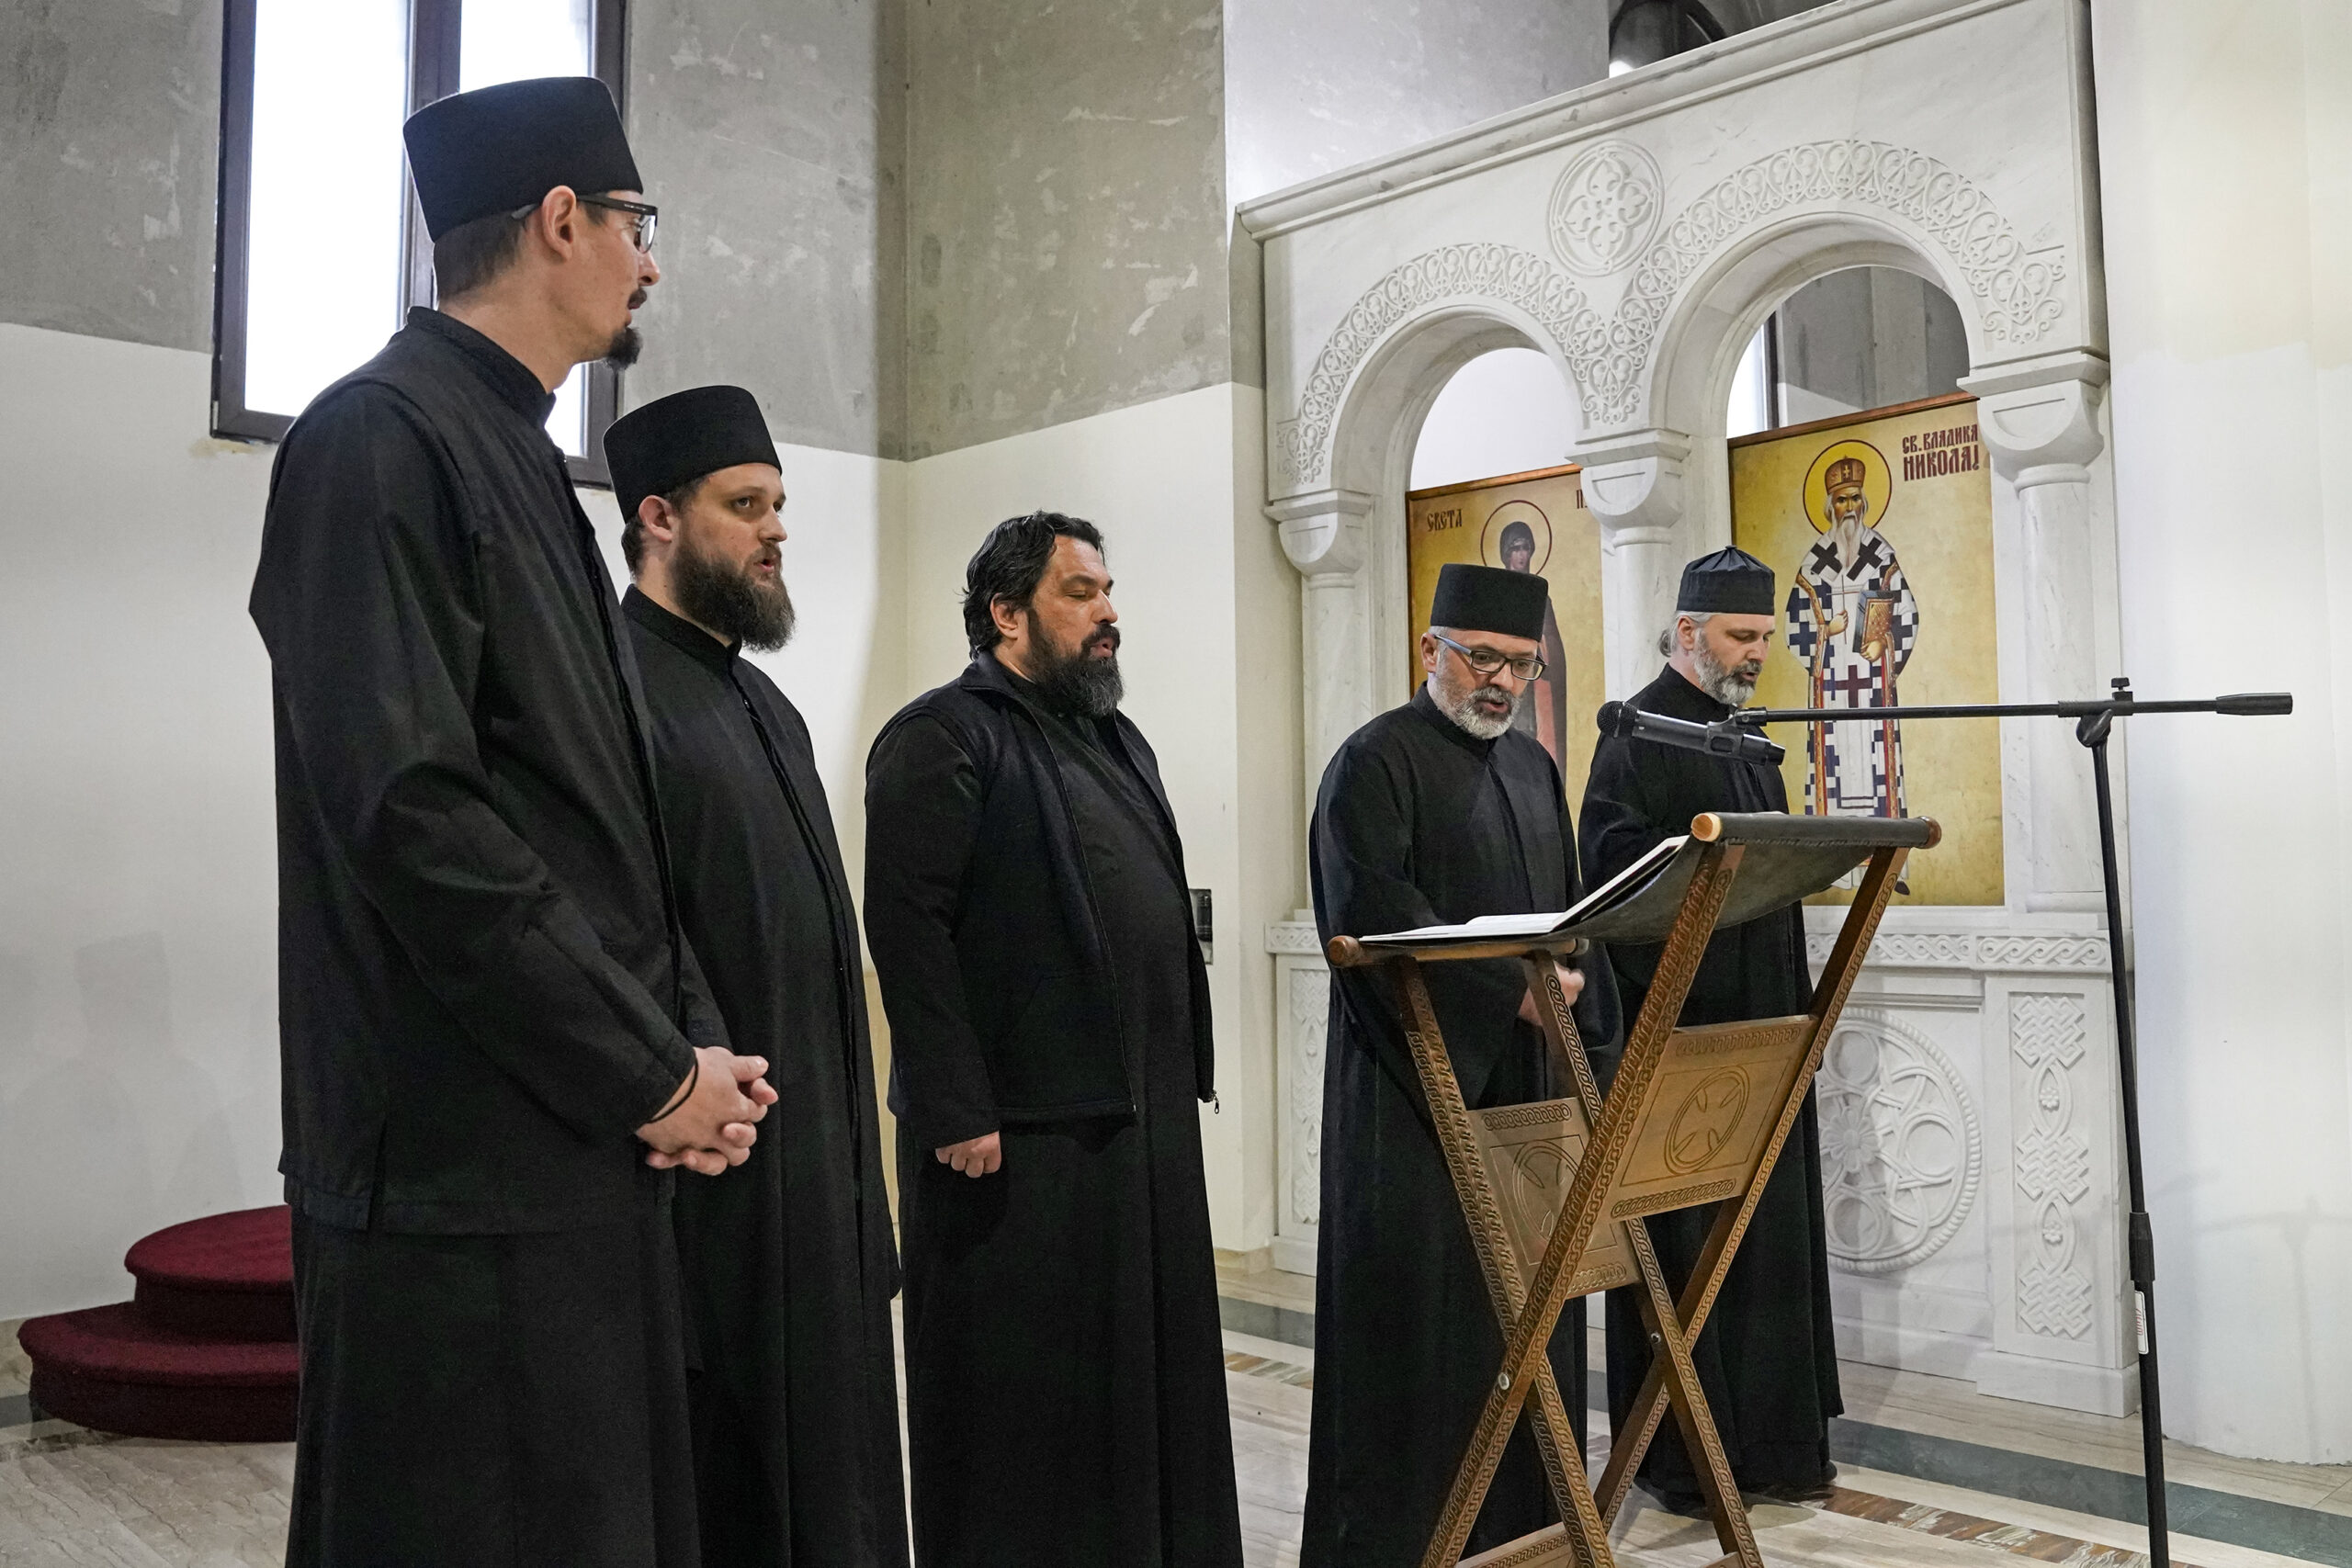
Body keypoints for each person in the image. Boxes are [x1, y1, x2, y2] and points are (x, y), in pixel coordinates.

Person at [248, 77, 776, 1568]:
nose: (648, 263)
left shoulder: (530, 461)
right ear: (560, 220)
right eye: (637, 226)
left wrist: (687, 1049)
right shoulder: (374, 441)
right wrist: (646, 1065)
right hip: (455, 1182)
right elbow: (413, 816)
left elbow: (601, 818)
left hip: (570, 1147)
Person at [863, 512, 1242, 1568]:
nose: (1108, 611)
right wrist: (953, 1105)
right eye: (1080, 592)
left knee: (1141, 1401)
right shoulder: (944, 734)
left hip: (1138, 1133)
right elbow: (907, 929)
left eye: (1107, 590)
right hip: (1016, 1147)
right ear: (1006, 613)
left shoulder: (1118, 738)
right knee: (1029, 1414)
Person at [604, 386, 908, 1568]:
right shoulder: (612, 688)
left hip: (822, 1185)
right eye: (744, 505)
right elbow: (631, 925)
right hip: (715, 1190)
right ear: (658, 517)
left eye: (778, 504)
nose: (776, 529)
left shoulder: (767, 704)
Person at [1303, 562, 1623, 1564]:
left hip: (1529, 1092)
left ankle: (1527, 1538)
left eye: (1521, 665)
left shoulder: (1532, 766)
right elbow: (1371, 923)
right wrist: (1511, 996)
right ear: (1430, 649)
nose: (1502, 682)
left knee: (1528, 1327)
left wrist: (1583, 1016)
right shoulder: (1373, 763)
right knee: (1422, 1337)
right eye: (1482, 658)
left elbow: (1572, 914)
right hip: (1415, 1101)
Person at [1578, 546, 1841, 1513]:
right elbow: (1612, 887)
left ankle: (1773, 1445)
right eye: (1740, 635)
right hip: (1683, 1032)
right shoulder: (1635, 735)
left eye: (1765, 636)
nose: (1756, 652)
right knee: (1688, 1246)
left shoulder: (1748, 741)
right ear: (1687, 632)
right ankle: (1687, 1458)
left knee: (1766, 1237)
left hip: (1763, 1024)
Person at [1784, 454, 1919, 818]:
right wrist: (1826, 631)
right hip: (1830, 687)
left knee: (1878, 764)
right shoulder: (1814, 562)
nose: (1849, 508)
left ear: (1864, 503)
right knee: (1832, 764)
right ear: (1830, 506)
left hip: (1873, 683)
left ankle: (1884, 844)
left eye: (1855, 498)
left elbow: (1907, 613)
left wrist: (1882, 641)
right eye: (1842, 500)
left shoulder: (1881, 555)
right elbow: (1793, 626)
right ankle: (1834, 850)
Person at [1497, 518, 1572, 768]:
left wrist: (1544, 653)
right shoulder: (1498, 592)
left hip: (1537, 678)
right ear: (1506, 553)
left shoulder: (1541, 595)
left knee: (1535, 737)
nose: (1521, 555)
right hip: (1509, 680)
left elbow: (1552, 640)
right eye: (1516, 549)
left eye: (1525, 548)